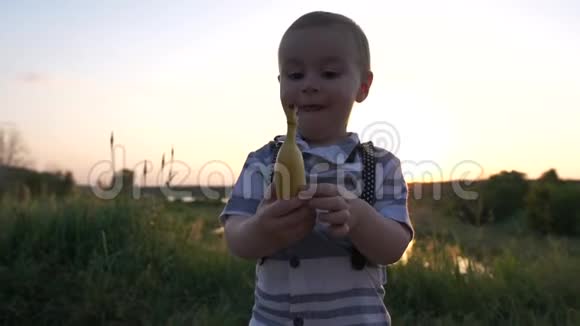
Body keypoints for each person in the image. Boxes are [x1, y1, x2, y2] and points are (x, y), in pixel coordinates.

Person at [219, 10, 414, 326]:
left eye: (329, 73)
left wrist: (358, 217)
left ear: (363, 86)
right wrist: (261, 229)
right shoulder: (262, 161)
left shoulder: (380, 165)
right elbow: (235, 237)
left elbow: (394, 246)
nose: (309, 85)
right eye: (295, 76)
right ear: (281, 84)